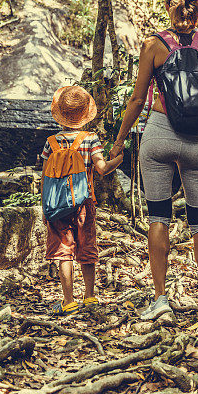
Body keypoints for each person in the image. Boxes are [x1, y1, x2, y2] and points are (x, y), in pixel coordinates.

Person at [109, 0, 198, 321]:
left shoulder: (153, 46)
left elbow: (137, 100)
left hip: (159, 136)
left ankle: (160, 297)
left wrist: (119, 141)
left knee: (159, 217)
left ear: (167, 5)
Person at [41, 85, 124, 316]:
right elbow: (102, 168)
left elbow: (45, 174)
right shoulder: (90, 139)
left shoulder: (51, 142)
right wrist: (118, 159)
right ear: (86, 115)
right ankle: (89, 297)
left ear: (60, 113)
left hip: (56, 204)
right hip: (83, 203)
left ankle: (68, 300)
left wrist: (45, 206)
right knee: (86, 246)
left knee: (63, 250)